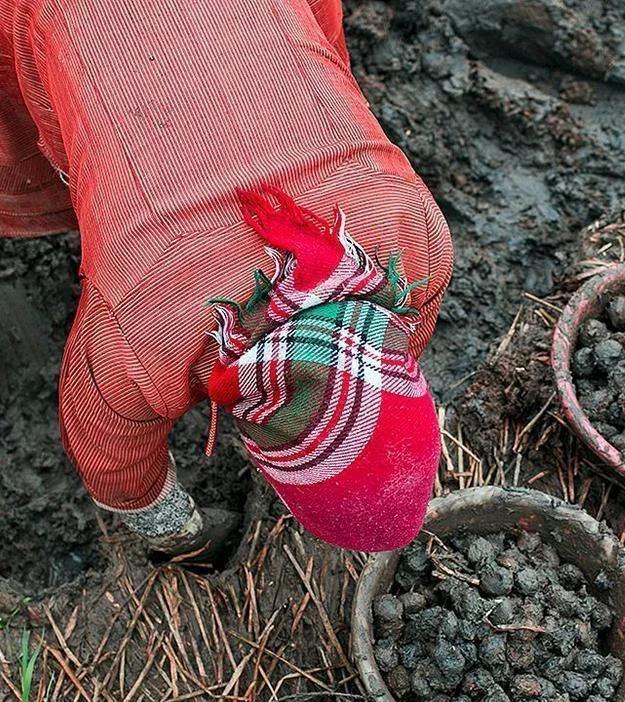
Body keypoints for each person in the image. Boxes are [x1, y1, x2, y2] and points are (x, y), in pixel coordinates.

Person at [0, 0, 453, 558]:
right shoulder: (144, 338)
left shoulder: (415, 237)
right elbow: (107, 452)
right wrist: (178, 532)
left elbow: (402, 340)